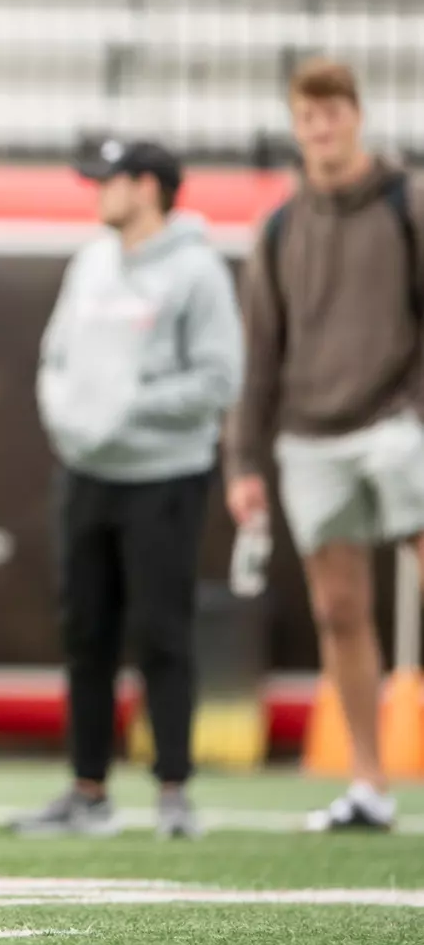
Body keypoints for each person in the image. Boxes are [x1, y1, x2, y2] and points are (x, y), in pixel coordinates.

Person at [10, 139, 242, 839]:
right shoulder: (90, 264)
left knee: (163, 631)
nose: (97, 192)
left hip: (164, 477)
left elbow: (218, 379)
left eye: (108, 181)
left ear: (146, 187)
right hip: (85, 475)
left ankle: (173, 793)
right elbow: (55, 358)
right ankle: (88, 792)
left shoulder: (199, 273)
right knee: (86, 634)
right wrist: (69, 416)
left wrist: (124, 406)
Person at [227, 58, 424, 833]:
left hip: (400, 424)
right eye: (307, 113)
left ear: (356, 115)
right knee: (339, 611)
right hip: (310, 436)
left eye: (332, 110)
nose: (320, 125)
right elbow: (259, 354)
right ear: (296, 123)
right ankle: (370, 784)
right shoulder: (278, 227)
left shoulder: (408, 203)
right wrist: (244, 462)